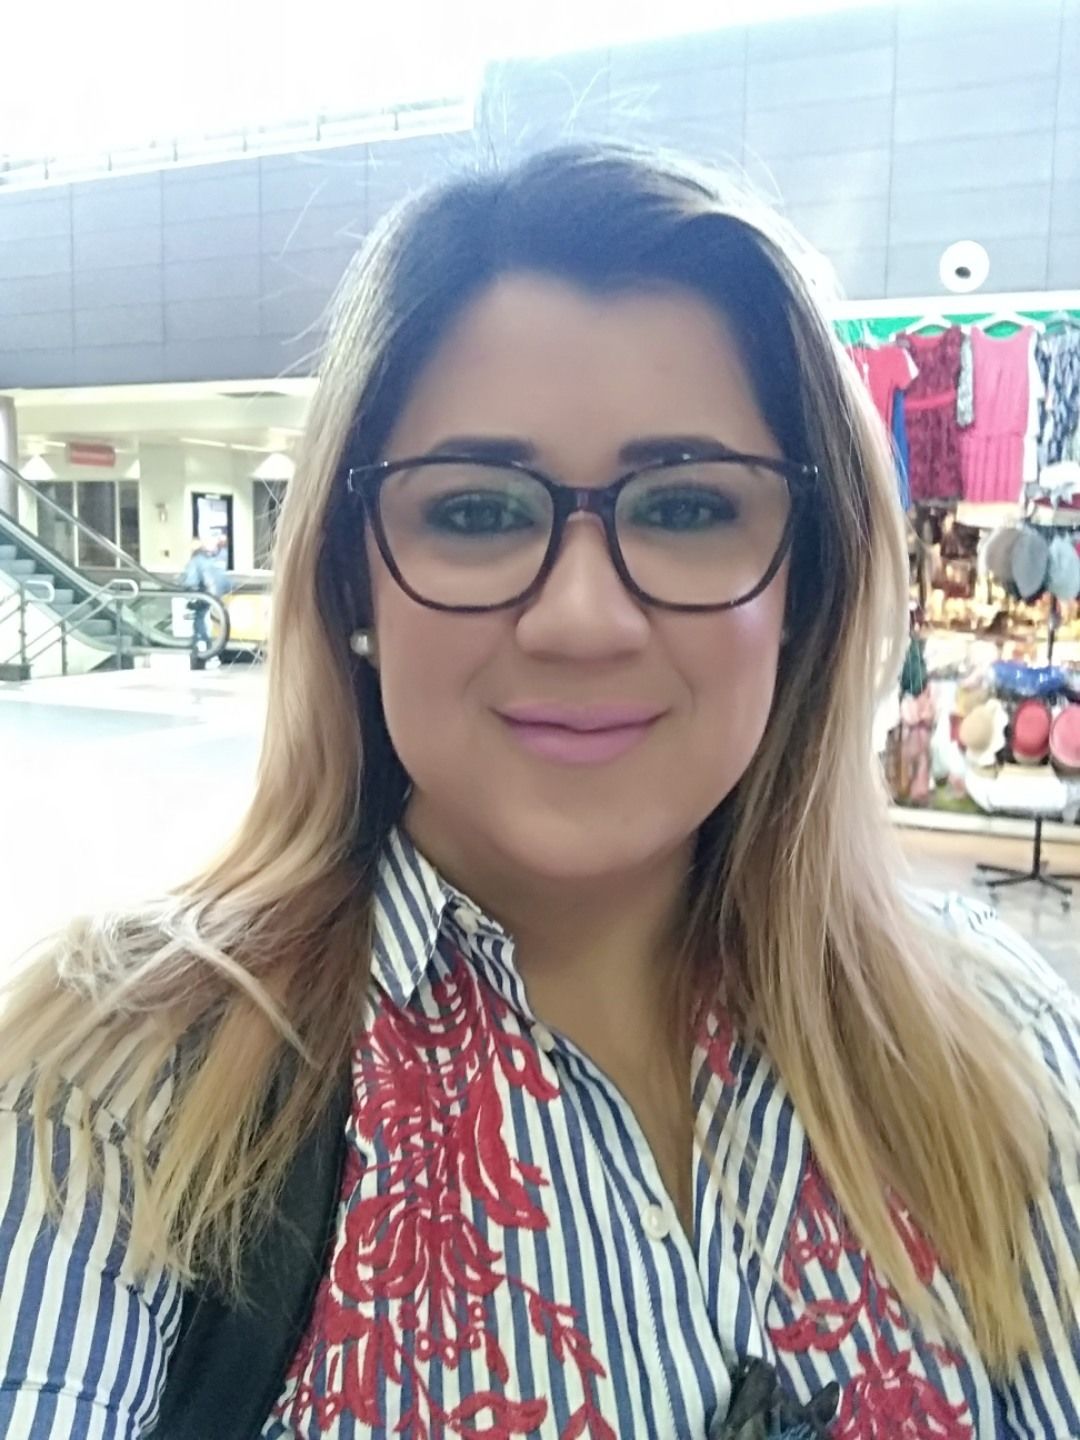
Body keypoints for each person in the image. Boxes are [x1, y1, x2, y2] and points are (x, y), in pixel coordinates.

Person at [1, 144, 1078, 1438]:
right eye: (475, 512)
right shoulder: (112, 1103)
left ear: (808, 585)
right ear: (352, 580)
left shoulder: (1001, 1054)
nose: (581, 618)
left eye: (686, 508)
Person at [180, 535, 227, 655]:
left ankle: (204, 645)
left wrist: (190, 593)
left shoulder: (197, 560)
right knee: (204, 619)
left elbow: (190, 580)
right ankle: (206, 645)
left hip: (206, 596)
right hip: (216, 596)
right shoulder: (222, 557)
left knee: (200, 619)